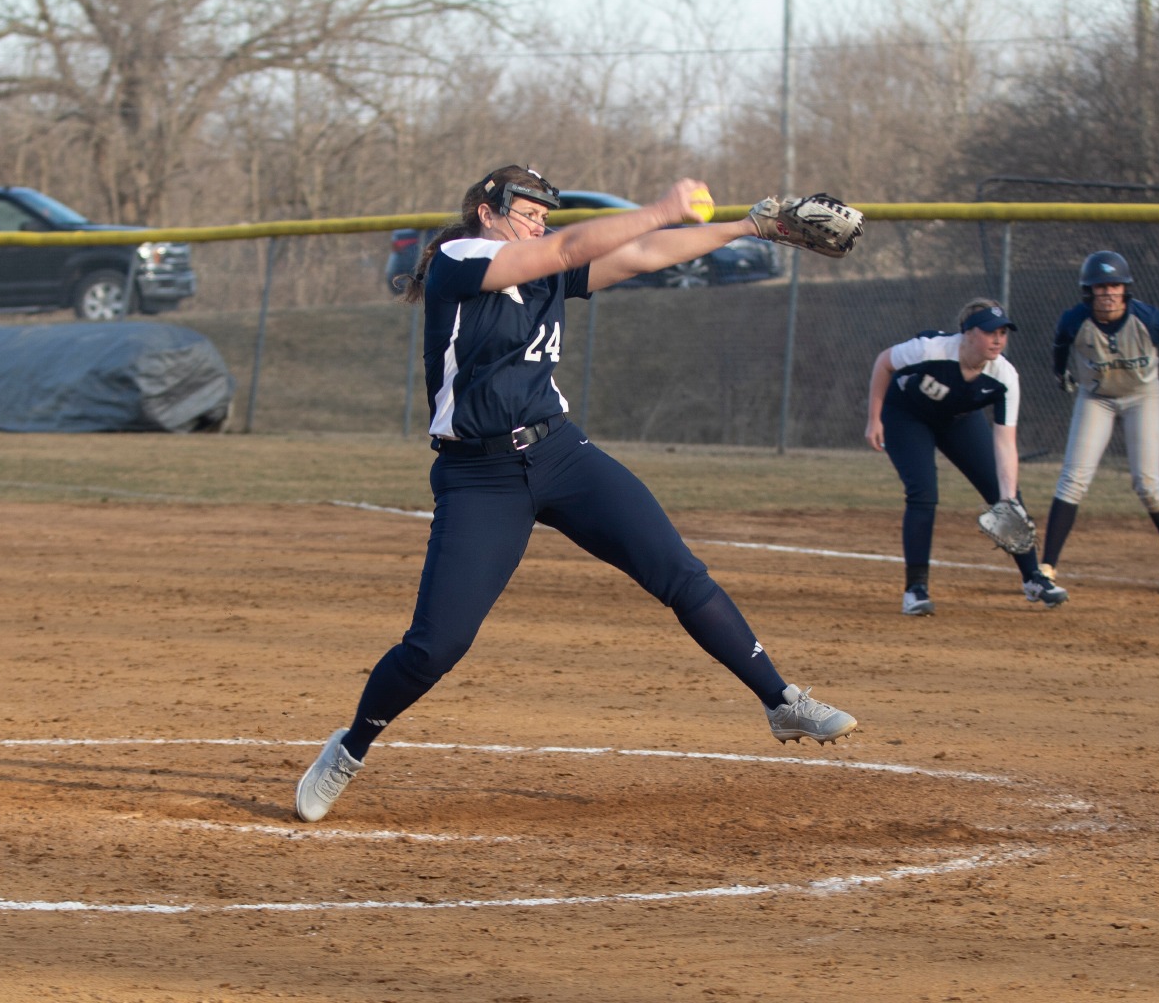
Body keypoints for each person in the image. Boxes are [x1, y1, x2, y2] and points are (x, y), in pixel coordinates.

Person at [295, 165, 859, 823]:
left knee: (677, 570)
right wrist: (662, 205)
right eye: (526, 210)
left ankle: (780, 699)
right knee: (435, 647)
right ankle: (350, 747)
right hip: (481, 477)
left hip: (560, 453)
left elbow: (643, 254)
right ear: (486, 209)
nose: (538, 222)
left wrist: (748, 227)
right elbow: (570, 247)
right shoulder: (459, 258)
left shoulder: (541, 268)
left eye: (542, 214)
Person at [865, 298, 1069, 616]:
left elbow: (1005, 443)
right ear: (968, 334)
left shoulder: (1004, 376)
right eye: (990, 332)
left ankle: (1033, 578)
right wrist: (874, 419)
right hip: (906, 416)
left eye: (1003, 332)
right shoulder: (931, 349)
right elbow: (883, 363)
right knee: (923, 493)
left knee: (1005, 493)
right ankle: (915, 590)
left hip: (957, 420)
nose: (998, 339)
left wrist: (1007, 496)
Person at [1041, 251, 1159, 594]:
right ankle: (1046, 568)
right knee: (1072, 480)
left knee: (1147, 482)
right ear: (1088, 292)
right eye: (1100, 286)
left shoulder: (1147, 318)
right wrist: (1061, 373)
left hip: (1142, 396)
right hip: (1096, 397)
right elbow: (1059, 345)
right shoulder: (1074, 320)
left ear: (1125, 288)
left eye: (1114, 285)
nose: (1108, 292)